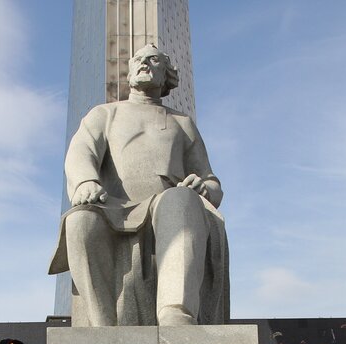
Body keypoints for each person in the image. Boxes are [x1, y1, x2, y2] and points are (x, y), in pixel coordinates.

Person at [48, 43, 229, 327]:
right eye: (139, 59)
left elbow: (211, 181)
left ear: (166, 75)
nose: (144, 63)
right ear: (130, 71)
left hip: (164, 204)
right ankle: (102, 326)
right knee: (80, 220)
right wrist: (85, 182)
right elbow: (81, 152)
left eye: (153, 60)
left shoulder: (183, 124)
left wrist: (204, 188)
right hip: (112, 206)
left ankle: (175, 312)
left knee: (181, 200)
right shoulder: (105, 114)